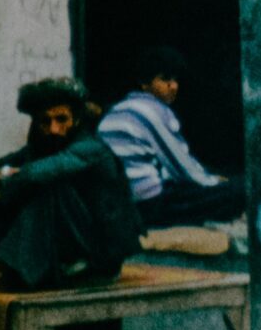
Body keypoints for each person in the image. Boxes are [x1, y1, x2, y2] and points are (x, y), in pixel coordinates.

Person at [0, 80, 142, 301]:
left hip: (99, 256)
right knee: (0, 187)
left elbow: (37, 174)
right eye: (45, 121)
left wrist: (7, 185)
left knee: (46, 185)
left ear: (76, 119)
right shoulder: (42, 146)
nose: (53, 129)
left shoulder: (91, 148)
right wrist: (0, 175)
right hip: (66, 250)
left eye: (61, 119)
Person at [96, 47, 245, 229]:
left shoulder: (118, 110)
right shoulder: (150, 111)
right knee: (240, 189)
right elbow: (180, 166)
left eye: (175, 79)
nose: (173, 86)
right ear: (145, 83)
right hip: (146, 206)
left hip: (119, 205)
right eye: (165, 79)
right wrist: (214, 182)